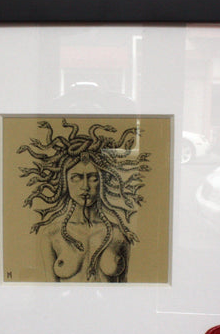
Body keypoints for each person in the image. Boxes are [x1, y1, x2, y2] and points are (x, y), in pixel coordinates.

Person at [17, 118, 150, 282]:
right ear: (64, 182)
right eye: (76, 178)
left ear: (104, 182)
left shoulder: (119, 234)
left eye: (93, 178)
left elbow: (125, 286)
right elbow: (49, 289)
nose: (85, 186)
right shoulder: (51, 234)